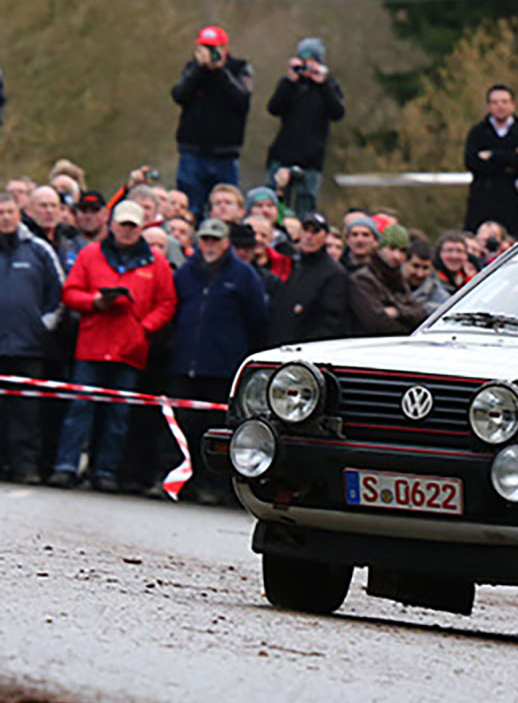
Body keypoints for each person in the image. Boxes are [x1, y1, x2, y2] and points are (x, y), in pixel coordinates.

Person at [49, 201, 177, 491]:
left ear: (141, 228)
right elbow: (70, 292)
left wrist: (144, 327)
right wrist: (94, 301)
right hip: (92, 344)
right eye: (122, 225)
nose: (127, 231)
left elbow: (167, 303)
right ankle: (66, 466)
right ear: (112, 224)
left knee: (118, 415)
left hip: (130, 349)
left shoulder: (156, 262)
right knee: (79, 409)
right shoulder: (90, 254)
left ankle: (105, 470)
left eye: (132, 226)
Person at [170, 218, 267, 503]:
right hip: (186, 365)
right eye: (205, 240)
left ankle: (215, 486)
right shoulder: (186, 272)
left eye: (215, 240)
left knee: (217, 430)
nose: (210, 245)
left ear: (226, 243)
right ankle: (185, 480)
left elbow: (258, 318)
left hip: (222, 368)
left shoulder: (244, 275)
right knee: (184, 426)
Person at [0, 195, 62, 484]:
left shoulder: (39, 250)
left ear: (19, 214)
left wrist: (42, 325)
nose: (5, 217)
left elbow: (58, 292)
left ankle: (24, 466)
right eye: (0, 213)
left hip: (28, 348)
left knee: (26, 414)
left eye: (9, 212)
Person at [171, 24, 252, 217]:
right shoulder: (192, 69)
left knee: (225, 209)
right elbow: (179, 95)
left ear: (224, 48)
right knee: (191, 208)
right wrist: (199, 70)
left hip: (225, 153)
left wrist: (220, 71)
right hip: (193, 151)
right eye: (204, 47)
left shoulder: (239, 68)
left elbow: (242, 101)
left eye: (213, 48)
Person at [265, 37, 344, 215]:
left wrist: (323, 84)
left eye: (312, 61)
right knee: (275, 204)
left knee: (305, 208)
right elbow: (274, 108)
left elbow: (337, 113)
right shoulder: (290, 84)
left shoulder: (329, 85)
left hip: (311, 160)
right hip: (283, 156)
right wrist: (289, 81)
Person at [266, 213, 348, 347]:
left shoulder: (334, 273)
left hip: (307, 350)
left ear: (325, 236)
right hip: (279, 347)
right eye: (305, 230)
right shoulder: (292, 265)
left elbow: (331, 322)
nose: (309, 237)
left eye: (315, 232)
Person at [463, 83, 518, 238]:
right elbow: (471, 162)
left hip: (510, 200)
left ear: (513, 104)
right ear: (488, 105)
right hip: (482, 199)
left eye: (504, 102)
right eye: (495, 102)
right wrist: (506, 160)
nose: (500, 106)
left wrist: (492, 155)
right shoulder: (477, 132)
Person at [350, 222, 431, 336]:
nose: (397, 256)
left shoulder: (398, 278)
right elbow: (376, 323)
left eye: (402, 250)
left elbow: (421, 313)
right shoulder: (362, 279)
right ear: (380, 248)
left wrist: (397, 311)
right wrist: (408, 328)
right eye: (392, 249)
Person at [405, 235, 452, 310]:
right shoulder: (390, 285)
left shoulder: (441, 298)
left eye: (425, 268)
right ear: (405, 262)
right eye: (415, 266)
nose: (420, 274)